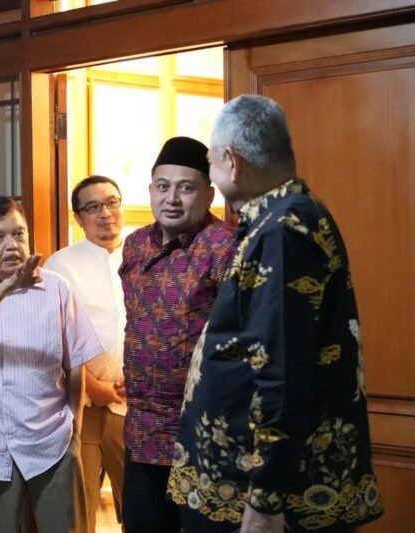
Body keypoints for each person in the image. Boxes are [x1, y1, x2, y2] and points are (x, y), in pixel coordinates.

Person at [168, 95, 383, 532]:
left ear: (231, 161)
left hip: (262, 489)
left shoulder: (283, 228)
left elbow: (281, 366)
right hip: (248, 476)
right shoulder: (282, 216)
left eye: (210, 162)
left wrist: (265, 497)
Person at [0, 195, 103, 533]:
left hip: (53, 437)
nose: (12, 244)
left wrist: (74, 426)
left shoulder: (57, 287)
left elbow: (76, 361)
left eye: (18, 233)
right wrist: (8, 286)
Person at [119, 136, 237, 532]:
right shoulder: (135, 245)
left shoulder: (226, 247)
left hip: (202, 433)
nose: (171, 198)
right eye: (163, 186)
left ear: (208, 194)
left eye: (186, 188)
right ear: (151, 189)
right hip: (141, 430)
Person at [43, 175, 127, 533]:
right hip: (82, 401)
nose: (105, 213)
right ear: (78, 218)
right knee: (80, 506)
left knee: (143, 505)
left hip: (134, 403)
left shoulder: (143, 254)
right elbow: (54, 338)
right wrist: (93, 386)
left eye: (112, 202)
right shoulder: (60, 266)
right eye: (93, 207)